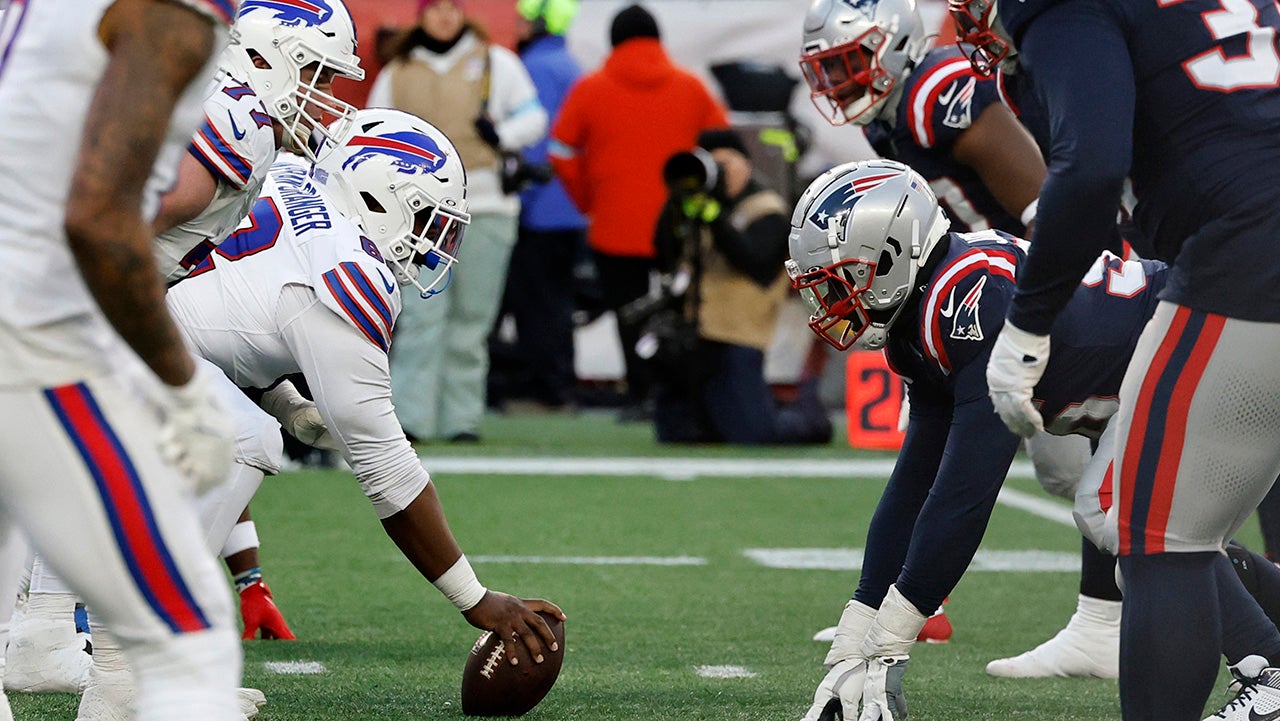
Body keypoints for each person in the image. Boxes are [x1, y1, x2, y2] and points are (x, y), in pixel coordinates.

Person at [787, 159, 1280, 721]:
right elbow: (916, 480)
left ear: (891, 254)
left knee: (1117, 515)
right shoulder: (920, 316)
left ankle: (1270, 668)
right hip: (1180, 354)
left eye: (837, 277)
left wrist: (891, 639)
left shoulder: (969, 298)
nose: (828, 298)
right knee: (1160, 536)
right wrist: (859, 622)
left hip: (1201, 344)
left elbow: (965, 494)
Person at [6, 2, 368, 704]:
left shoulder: (218, 97)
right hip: (43, 298)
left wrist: (274, 392)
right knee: (234, 440)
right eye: (317, 71)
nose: (324, 92)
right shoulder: (239, 114)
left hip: (46, 291)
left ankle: (57, 636)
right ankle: (116, 671)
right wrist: (174, 380)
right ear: (272, 54)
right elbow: (121, 226)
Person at [165, 108, 566, 674]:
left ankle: (51, 631)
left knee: (224, 425)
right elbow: (387, 472)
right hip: (117, 341)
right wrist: (476, 600)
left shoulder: (288, 174)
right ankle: (149, 656)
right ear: (381, 196)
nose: (432, 246)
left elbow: (218, 322)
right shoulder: (348, 270)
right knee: (242, 438)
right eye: (427, 219)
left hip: (91, 320)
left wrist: (283, 400)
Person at [965, 0, 1280, 715]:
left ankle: (1270, 679)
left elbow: (1093, 163)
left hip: (1250, 245)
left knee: (1151, 530)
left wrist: (1028, 322)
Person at [799, 0, 1114, 651]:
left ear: (893, 46)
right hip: (970, 298)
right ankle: (909, 599)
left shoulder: (936, 91)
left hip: (1031, 288)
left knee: (1084, 461)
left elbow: (1041, 202)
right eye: (828, 73)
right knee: (947, 450)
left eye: (851, 65)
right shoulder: (886, 117)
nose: (839, 86)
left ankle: (1109, 615)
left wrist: (1040, 300)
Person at [0, 0, 246, 718]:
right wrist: (182, 381)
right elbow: (98, 215)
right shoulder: (171, 12)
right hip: (25, 330)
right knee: (184, 639)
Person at [367, 0, 547, 443]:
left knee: (472, 320)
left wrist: (502, 136)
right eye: (436, 8)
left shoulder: (494, 62)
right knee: (421, 320)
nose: (445, 16)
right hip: (418, 213)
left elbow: (534, 117)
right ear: (422, 15)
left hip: (486, 205)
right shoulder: (399, 71)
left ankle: (461, 421)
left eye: (453, 7)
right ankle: (411, 418)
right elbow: (371, 129)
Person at [549, 3, 729, 421]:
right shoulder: (690, 86)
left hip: (615, 223)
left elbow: (560, 152)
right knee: (680, 310)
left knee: (628, 311)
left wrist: (587, 199)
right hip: (679, 223)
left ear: (614, 41)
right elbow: (722, 148)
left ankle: (640, 391)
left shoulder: (591, 88)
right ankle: (677, 390)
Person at [642, 129, 832, 445]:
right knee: (678, 432)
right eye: (711, 167)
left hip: (739, 334)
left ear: (745, 163)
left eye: (726, 165)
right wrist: (675, 202)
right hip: (696, 333)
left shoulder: (766, 208)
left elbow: (757, 264)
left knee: (754, 434)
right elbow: (664, 258)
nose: (719, 175)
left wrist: (716, 219)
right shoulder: (698, 204)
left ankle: (808, 421)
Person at [488, 0, 588, 411]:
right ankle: (556, 384)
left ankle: (541, 386)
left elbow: (533, 145)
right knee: (557, 305)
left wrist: (517, 195)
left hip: (539, 211)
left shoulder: (533, 68)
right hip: (568, 210)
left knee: (535, 306)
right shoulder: (570, 65)